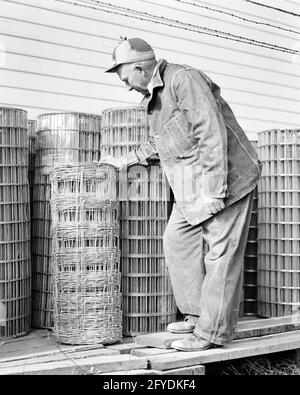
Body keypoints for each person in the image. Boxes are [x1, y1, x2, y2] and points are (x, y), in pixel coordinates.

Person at [103, 37, 262, 351]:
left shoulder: (182, 79)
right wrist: (124, 160)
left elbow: (211, 130)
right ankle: (196, 315)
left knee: (220, 256)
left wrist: (216, 190)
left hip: (226, 180)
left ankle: (211, 334)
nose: (126, 86)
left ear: (138, 67)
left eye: (125, 78)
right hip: (192, 187)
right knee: (177, 240)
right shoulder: (154, 101)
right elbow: (163, 144)